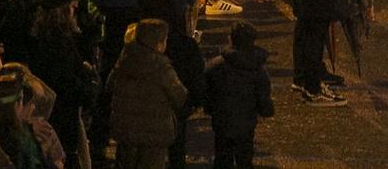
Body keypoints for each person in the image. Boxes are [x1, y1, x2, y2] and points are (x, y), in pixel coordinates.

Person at [107, 18, 186, 169]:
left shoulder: (124, 60)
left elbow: (109, 86)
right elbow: (180, 96)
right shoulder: (161, 67)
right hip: (154, 134)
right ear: (159, 43)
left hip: (126, 131)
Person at [201, 22, 272, 169]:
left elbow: (207, 91)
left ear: (231, 39)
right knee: (245, 158)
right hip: (247, 120)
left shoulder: (216, 65)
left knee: (222, 157)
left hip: (222, 119)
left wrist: (209, 108)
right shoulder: (257, 68)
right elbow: (263, 94)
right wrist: (266, 110)